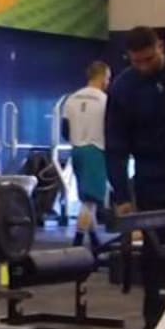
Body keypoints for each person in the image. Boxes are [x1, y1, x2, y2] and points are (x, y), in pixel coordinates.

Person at [105, 26, 165, 329]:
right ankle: (154, 327)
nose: (142, 66)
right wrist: (122, 195)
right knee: (155, 258)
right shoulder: (124, 88)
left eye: (148, 59)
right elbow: (116, 145)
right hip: (152, 180)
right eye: (136, 61)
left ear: (161, 47)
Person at [63, 61, 110, 249]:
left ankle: (95, 239)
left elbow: (65, 130)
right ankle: (77, 242)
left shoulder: (71, 98)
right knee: (90, 201)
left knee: (86, 198)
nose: (108, 82)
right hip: (95, 150)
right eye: (108, 78)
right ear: (102, 77)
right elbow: (111, 128)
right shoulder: (104, 100)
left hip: (77, 151)